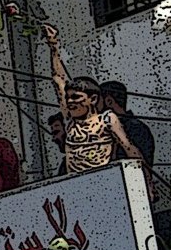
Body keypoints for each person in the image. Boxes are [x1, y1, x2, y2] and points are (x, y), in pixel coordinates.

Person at [42, 23, 144, 176]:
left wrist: (146, 182)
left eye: (76, 97)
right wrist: (54, 46)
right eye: (68, 98)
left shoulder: (107, 119)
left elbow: (129, 148)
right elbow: (58, 80)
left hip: (104, 179)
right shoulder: (70, 120)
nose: (70, 102)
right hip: (77, 183)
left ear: (93, 99)